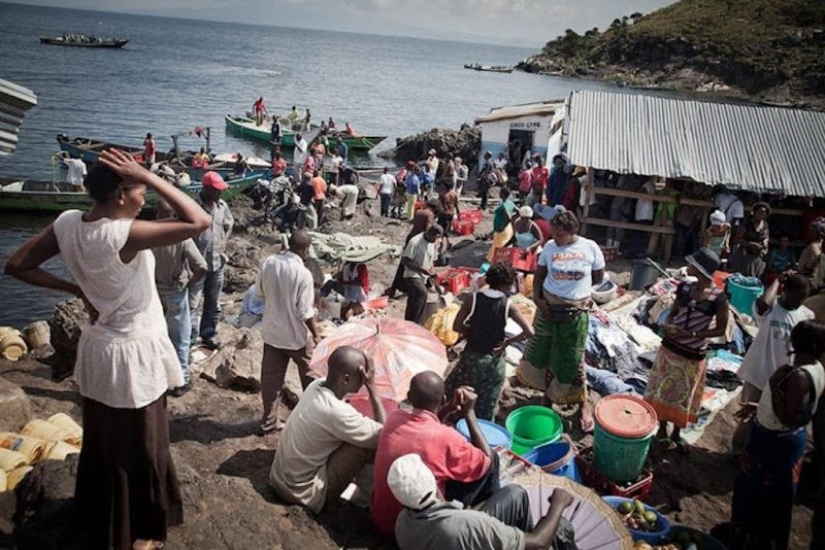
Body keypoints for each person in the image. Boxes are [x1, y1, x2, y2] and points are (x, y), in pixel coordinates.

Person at [5, 149, 212, 549]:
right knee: (145, 446)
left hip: (99, 349)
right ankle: (138, 533)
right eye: (138, 191)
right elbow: (198, 220)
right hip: (134, 353)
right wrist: (150, 176)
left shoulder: (68, 224)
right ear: (120, 194)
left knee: (104, 445)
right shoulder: (123, 234)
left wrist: (74, 287)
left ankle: (101, 521)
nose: (144, 200)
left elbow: (17, 264)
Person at [730, 320, 825, 550]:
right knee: (769, 493)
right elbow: (796, 408)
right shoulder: (816, 369)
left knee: (760, 492)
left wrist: (772, 385)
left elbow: (786, 416)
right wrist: (760, 407)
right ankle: (751, 534)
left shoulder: (799, 377)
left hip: (775, 444)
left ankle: (750, 538)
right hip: (784, 439)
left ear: (795, 342)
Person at [371, 375, 498, 537]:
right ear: (443, 398)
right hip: (420, 531)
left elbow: (426, 425)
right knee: (493, 457)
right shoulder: (446, 437)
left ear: (409, 397)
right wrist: (469, 412)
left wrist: (449, 408)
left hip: (383, 520)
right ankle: (488, 516)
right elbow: (487, 462)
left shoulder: (394, 419)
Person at [269, 346, 387, 513]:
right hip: (303, 494)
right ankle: (364, 500)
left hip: (280, 479)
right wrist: (373, 389)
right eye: (362, 377)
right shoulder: (337, 412)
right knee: (367, 446)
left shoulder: (316, 386)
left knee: (357, 435)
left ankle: (356, 493)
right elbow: (386, 436)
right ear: (345, 380)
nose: (364, 381)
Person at [521, 211, 604, 432]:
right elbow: (539, 275)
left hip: (574, 313)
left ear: (570, 232)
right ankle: (547, 398)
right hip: (548, 309)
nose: (555, 238)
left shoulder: (589, 247)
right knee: (545, 352)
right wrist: (538, 300)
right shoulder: (549, 248)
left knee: (572, 358)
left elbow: (598, 276)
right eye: (553, 233)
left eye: (559, 234)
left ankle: (582, 402)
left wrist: (578, 293)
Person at [389, 454, 576, 550]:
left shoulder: (401, 523)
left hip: (453, 536)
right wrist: (558, 504)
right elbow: (539, 541)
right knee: (561, 528)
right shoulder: (467, 525)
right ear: (431, 481)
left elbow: (455, 517)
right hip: (462, 532)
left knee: (514, 493)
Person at [644, 248, 729, 451]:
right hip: (670, 348)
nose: (688, 267)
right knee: (663, 390)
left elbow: (720, 329)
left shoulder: (718, 298)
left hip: (692, 354)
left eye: (692, 265)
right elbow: (674, 313)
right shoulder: (684, 288)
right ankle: (663, 430)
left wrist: (691, 335)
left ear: (700, 270)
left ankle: (676, 433)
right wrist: (668, 325)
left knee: (683, 396)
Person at [732, 273, 813, 455]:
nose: (800, 300)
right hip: (758, 374)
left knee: (770, 420)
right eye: (798, 295)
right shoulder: (771, 309)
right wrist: (778, 279)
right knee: (747, 418)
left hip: (783, 380)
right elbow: (762, 305)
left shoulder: (805, 314)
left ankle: (756, 454)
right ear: (786, 291)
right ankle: (737, 452)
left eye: (804, 297)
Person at [445, 263, 535, 420]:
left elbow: (456, 326)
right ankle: (479, 429)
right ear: (506, 284)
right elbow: (529, 332)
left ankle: (453, 418)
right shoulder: (508, 305)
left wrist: (469, 331)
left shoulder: (473, 299)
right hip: (493, 360)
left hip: (471, 357)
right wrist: (508, 342)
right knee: (487, 402)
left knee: (456, 389)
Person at [255, 230, 321, 434]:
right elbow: (305, 311)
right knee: (312, 380)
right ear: (305, 249)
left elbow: (259, 293)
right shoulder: (303, 274)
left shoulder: (269, 263)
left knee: (271, 380)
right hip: (297, 337)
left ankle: (269, 422)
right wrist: (316, 334)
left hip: (273, 333)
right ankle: (314, 423)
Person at [152, 199, 207, 397]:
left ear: (157, 215)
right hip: (175, 290)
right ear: (174, 215)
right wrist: (190, 283)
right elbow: (201, 267)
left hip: (154, 293)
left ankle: (160, 376)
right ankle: (180, 380)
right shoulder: (181, 238)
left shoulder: (149, 236)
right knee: (181, 338)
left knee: (159, 335)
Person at [189, 171, 234, 350]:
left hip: (217, 263)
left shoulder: (222, 206)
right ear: (206, 189)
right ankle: (190, 339)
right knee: (193, 304)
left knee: (213, 303)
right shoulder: (192, 206)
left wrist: (223, 241)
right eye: (216, 190)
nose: (220, 193)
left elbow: (229, 224)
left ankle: (208, 334)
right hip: (196, 264)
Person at [386, 202, 436, 299]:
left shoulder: (419, 212)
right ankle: (415, 287)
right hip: (419, 241)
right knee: (417, 263)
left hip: (411, 236)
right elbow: (427, 230)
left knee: (403, 264)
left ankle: (394, 287)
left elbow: (412, 222)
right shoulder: (429, 215)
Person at [402, 224, 443, 324]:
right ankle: (416, 323)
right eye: (435, 237)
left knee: (414, 299)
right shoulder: (415, 242)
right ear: (429, 233)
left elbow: (431, 260)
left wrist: (431, 272)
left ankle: (409, 321)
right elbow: (405, 260)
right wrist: (422, 270)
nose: (436, 240)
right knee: (422, 293)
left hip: (424, 275)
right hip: (412, 273)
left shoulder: (432, 242)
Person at [729, 202, 771, 277]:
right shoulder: (747, 224)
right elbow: (736, 239)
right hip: (745, 256)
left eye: (764, 213)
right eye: (760, 212)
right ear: (755, 212)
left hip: (757, 257)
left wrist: (765, 243)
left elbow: (766, 237)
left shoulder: (765, 225)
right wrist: (750, 244)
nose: (761, 214)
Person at [486, 187, 517, 262]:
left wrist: (504, 225)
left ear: (503, 194)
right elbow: (518, 211)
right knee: (500, 245)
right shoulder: (510, 203)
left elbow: (509, 217)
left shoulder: (504, 206)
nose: (499, 193)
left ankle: (497, 262)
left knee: (500, 247)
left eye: (500, 192)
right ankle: (498, 261)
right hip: (508, 229)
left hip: (503, 230)